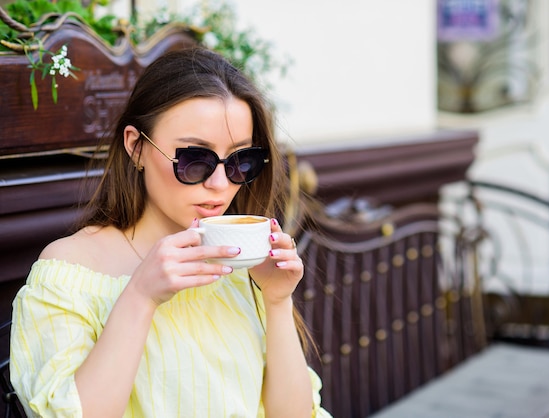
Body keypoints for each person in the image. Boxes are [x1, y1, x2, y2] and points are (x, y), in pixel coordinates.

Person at [10, 47, 332, 417]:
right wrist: (141, 296)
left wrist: (276, 301)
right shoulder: (69, 271)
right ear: (136, 147)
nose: (219, 184)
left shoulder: (241, 268)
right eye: (196, 159)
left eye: (240, 161)